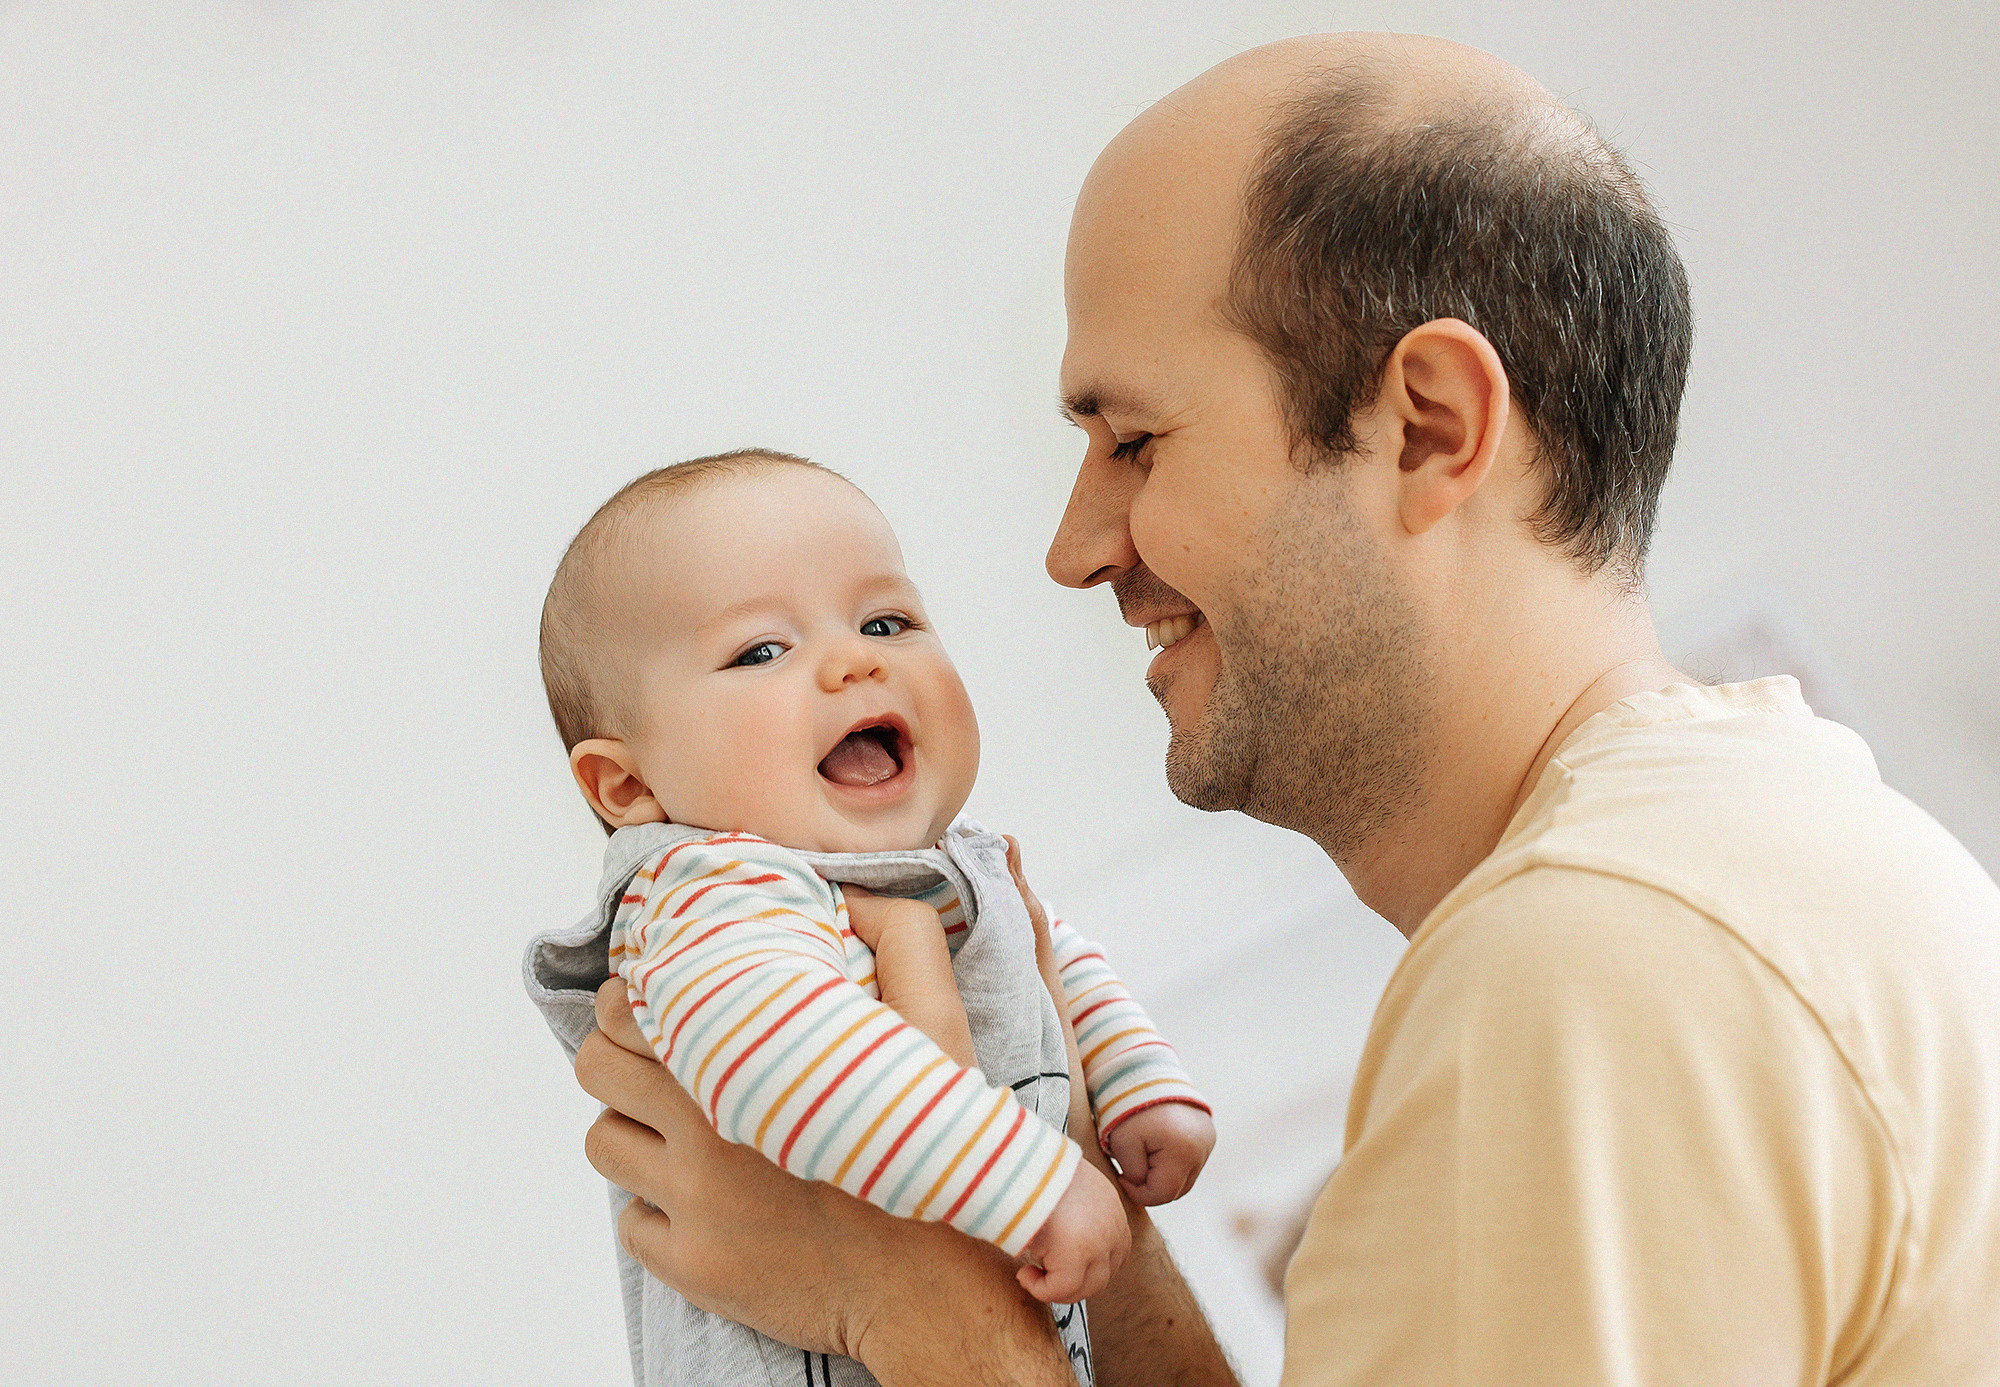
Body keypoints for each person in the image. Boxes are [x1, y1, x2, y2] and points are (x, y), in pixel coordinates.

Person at [573, 32, 2000, 1387]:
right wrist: (1052, 1184)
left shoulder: (1595, 969)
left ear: (1429, 424)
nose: (1077, 547)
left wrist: (908, 1300)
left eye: (1134, 440)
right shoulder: (1755, 862)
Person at [525, 450, 1215, 1387]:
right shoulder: (709, 900)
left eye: (886, 620)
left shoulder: (951, 866)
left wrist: (1134, 1080)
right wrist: (1031, 1182)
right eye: (761, 650)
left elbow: (1054, 963)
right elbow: (782, 1056)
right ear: (630, 783)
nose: (856, 659)